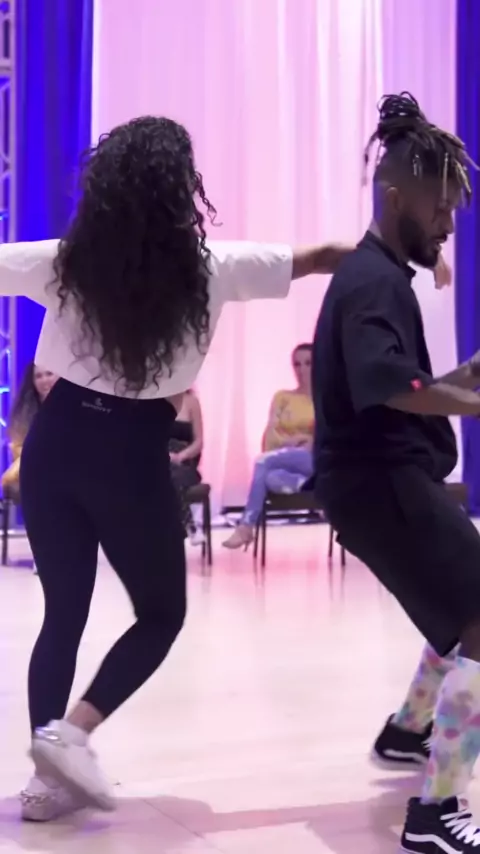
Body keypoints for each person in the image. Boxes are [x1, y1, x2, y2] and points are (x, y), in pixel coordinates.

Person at [0, 116, 359, 823]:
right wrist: (408, 258)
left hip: (56, 447)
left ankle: (46, 778)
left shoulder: (65, 261)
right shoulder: (212, 267)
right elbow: (322, 256)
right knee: (161, 613)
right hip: (131, 456)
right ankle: (70, 737)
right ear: (182, 188)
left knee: (63, 614)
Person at [311, 91, 480, 853]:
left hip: (379, 481)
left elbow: (398, 385)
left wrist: (463, 379)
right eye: (439, 207)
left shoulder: (376, 274)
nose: (448, 224)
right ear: (394, 195)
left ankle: (409, 732)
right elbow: (388, 386)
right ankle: (435, 812)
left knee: (462, 603)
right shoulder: (373, 281)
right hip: (380, 484)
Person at [223, 343, 314, 550]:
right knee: (270, 477)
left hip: (314, 459)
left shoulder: (325, 399)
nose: (302, 370)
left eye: (308, 363)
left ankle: (246, 526)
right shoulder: (283, 397)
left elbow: (327, 437)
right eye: (297, 364)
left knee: (262, 461)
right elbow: (271, 435)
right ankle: (309, 485)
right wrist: (293, 441)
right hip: (284, 457)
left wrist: (307, 440)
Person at [2, 363, 58, 503]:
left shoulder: (75, 409)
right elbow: (19, 450)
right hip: (36, 483)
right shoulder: (24, 414)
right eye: (38, 376)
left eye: (49, 374)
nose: (44, 380)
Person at [169, 388, 205, 546]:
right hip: (160, 458)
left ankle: (188, 526)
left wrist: (181, 456)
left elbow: (199, 442)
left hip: (185, 460)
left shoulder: (191, 402)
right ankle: (190, 525)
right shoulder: (153, 402)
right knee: (162, 475)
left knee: (173, 476)